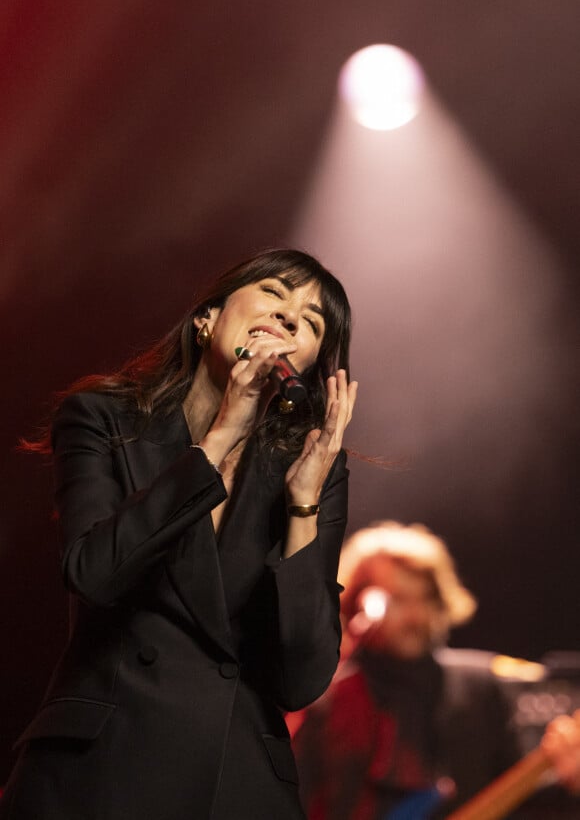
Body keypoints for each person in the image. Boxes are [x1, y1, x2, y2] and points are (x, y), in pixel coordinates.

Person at [0, 248, 358, 820]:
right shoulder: (103, 419)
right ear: (207, 319)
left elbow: (304, 678)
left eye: (312, 322)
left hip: (234, 785)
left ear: (308, 367)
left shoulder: (310, 467)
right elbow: (93, 573)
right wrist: (220, 437)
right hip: (102, 769)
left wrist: (303, 504)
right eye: (274, 293)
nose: (291, 316)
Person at [292, 521, 580, 820]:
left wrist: (571, 785)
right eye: (400, 599)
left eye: (425, 598)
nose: (417, 616)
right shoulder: (324, 697)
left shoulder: (479, 687)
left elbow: (526, 805)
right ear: (359, 604)